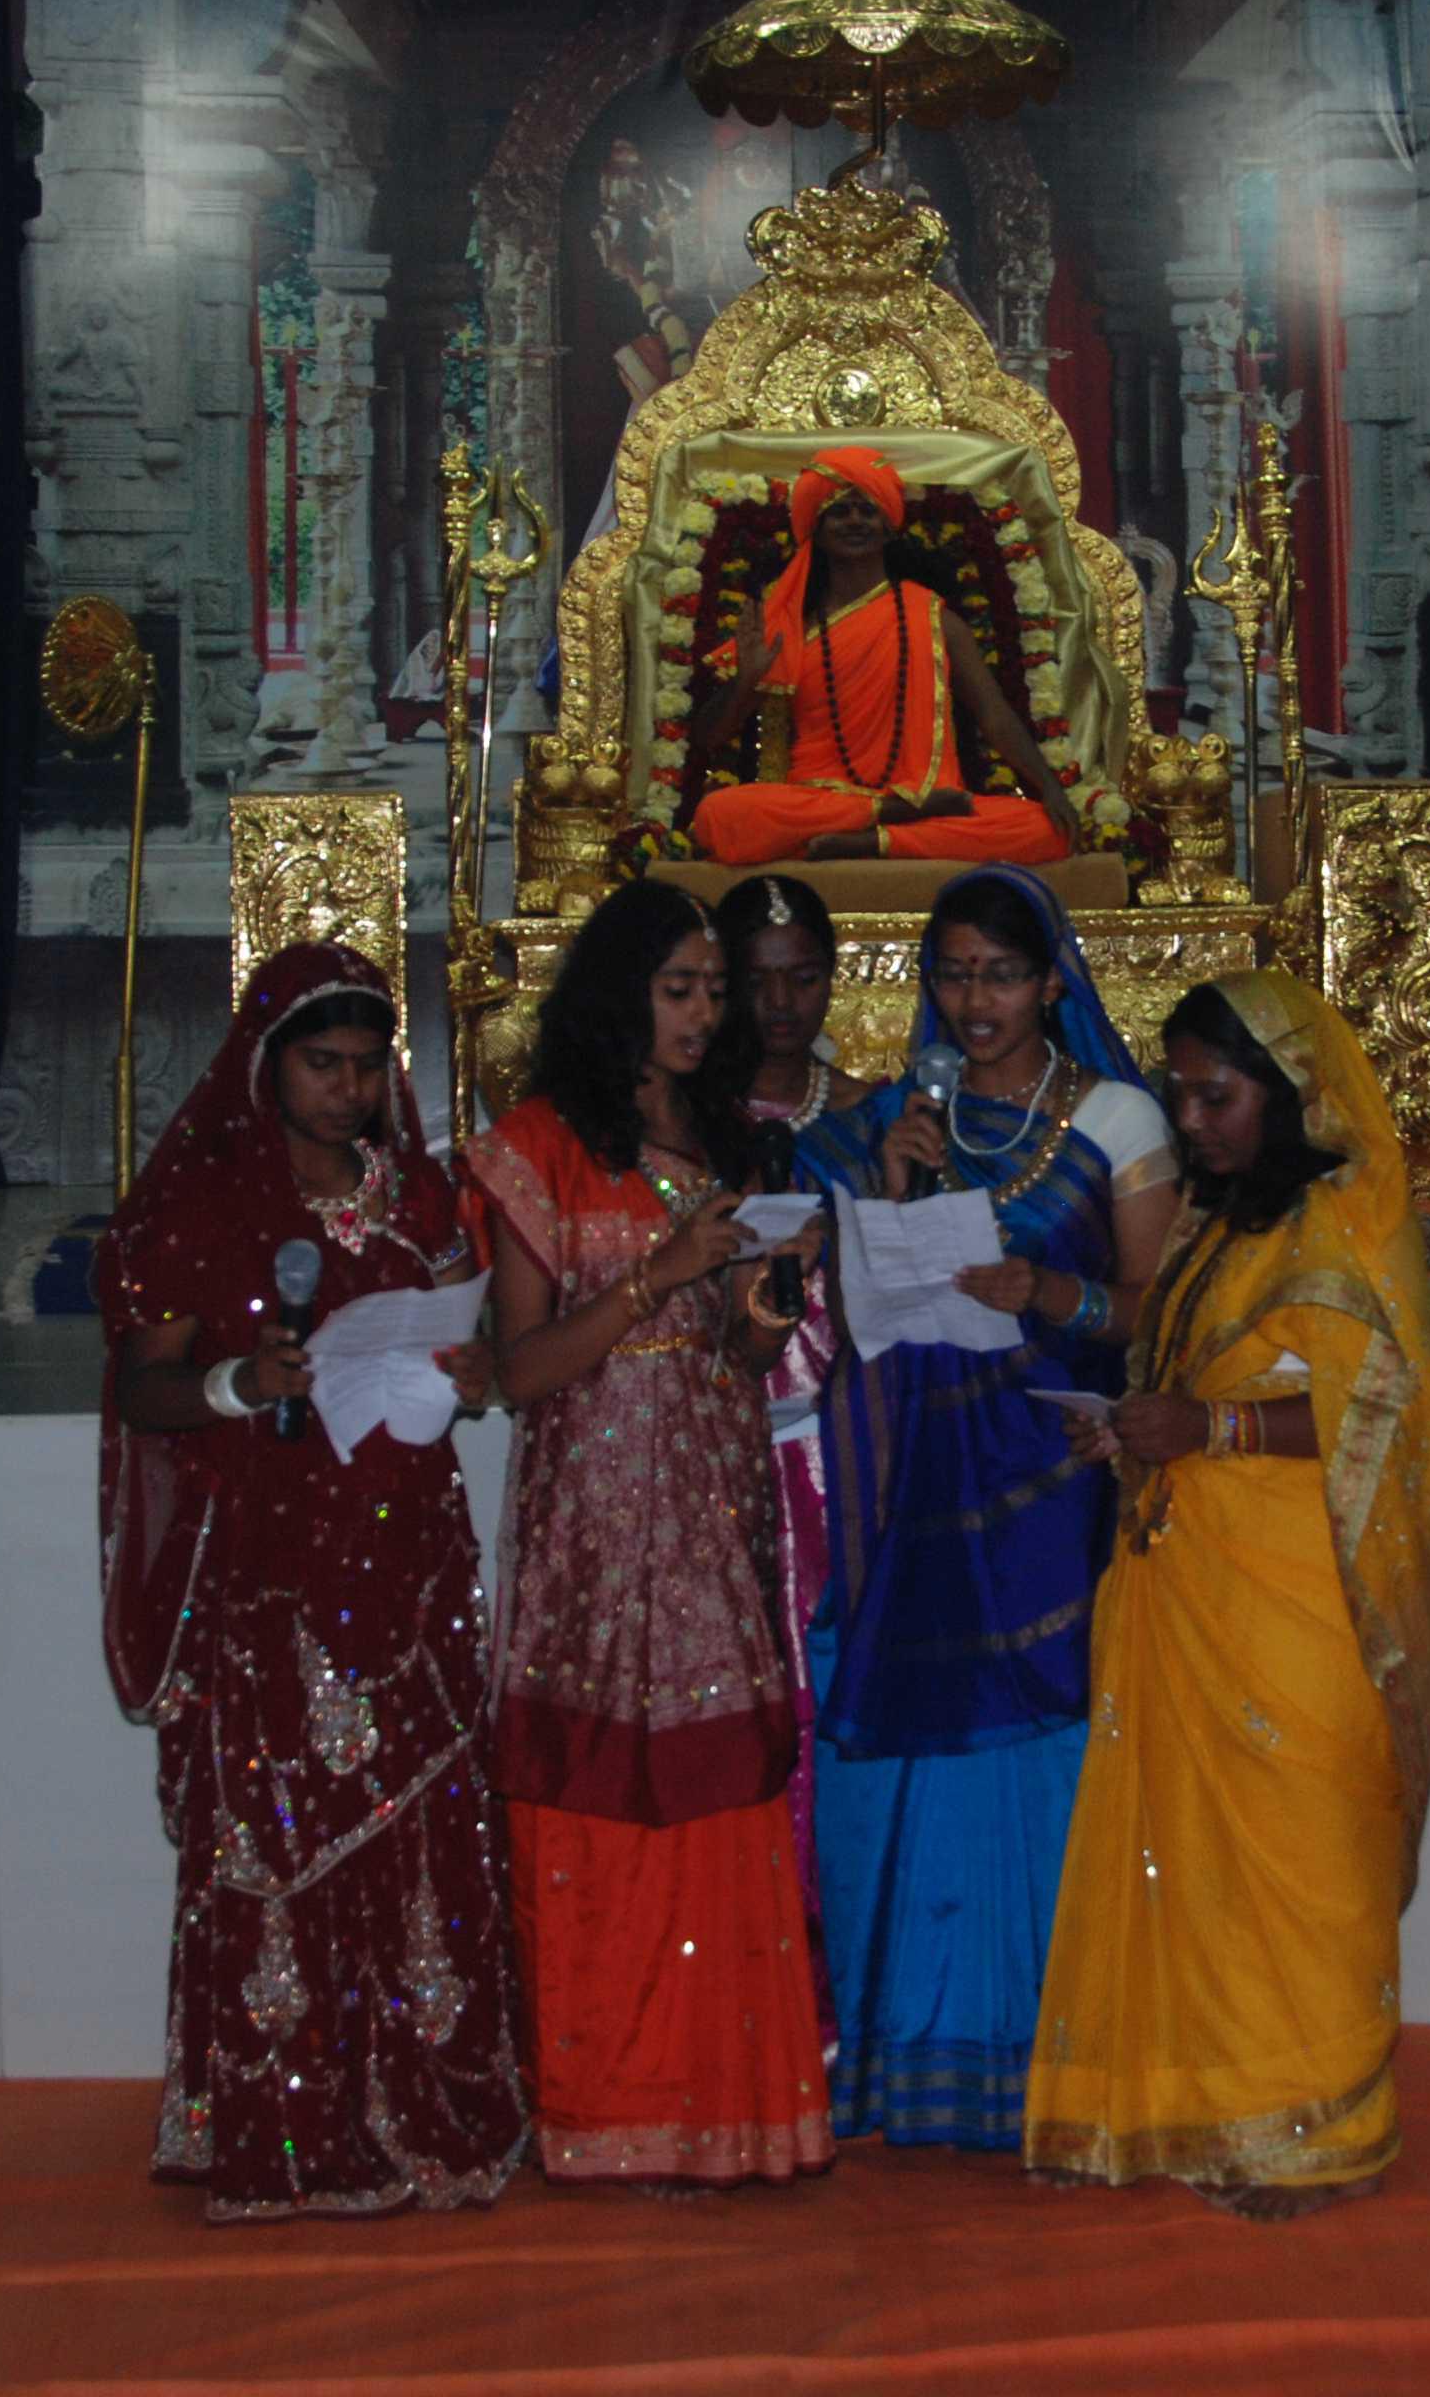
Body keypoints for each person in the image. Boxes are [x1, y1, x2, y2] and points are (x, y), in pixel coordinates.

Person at [1027, 970, 1430, 2217]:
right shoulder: (1211, 1222)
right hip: (1186, 1578)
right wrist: (1133, 1427)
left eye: (1215, 1096)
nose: (1190, 1121)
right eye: (1178, 1094)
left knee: (1300, 1859)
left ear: (1286, 1094)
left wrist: (1210, 1427)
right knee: (1194, 1869)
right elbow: (1182, 1378)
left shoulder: (1340, 1222)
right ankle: (1204, 2113)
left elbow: (1387, 1417)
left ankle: (1318, 2131)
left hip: (1298, 1598)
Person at [93, 944, 525, 2219]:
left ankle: (428, 2108)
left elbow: (462, 1330)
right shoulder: (202, 1205)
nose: (347, 1090)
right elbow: (144, 1389)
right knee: (281, 1830)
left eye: (365, 1068)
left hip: (411, 1554)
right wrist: (241, 1383)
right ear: (265, 1066)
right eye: (322, 1066)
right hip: (272, 1562)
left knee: (427, 1823)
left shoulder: (420, 1194)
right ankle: (289, 2123)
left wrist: (471, 1372)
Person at [791, 865, 1178, 2148]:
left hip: (1054, 1480)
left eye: (999, 975)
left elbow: (1156, 1316)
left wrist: (1050, 1297)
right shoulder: (894, 1121)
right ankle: (922, 2051)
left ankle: (1060, 2052)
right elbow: (837, 1311)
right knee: (926, 1758)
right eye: (951, 974)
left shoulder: (1115, 1119)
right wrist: (887, 1193)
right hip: (916, 1481)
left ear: (1052, 981)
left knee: (1046, 1739)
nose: (973, 1001)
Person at [469, 879, 835, 2187]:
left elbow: (736, 1357)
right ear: (616, 994)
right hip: (590, 1523)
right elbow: (517, 1372)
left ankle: (729, 2101)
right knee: (595, 1791)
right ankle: (604, 2102)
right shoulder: (540, 1147)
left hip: (711, 1506)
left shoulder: (733, 1139)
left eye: (712, 992)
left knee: (719, 1786)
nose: (701, 1014)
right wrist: (654, 1276)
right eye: (677, 989)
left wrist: (769, 1305)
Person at [712, 874, 874, 2032]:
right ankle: (749, 1989)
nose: (781, 1004)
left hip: (841, 1456)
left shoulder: (868, 1118)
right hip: (720, 1457)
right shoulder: (689, 1123)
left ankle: (843, 1984)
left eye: (803, 977)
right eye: (756, 981)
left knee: (835, 1702)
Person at [689, 447, 1079, 867]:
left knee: (1043, 828)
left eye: (867, 511)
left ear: (888, 526)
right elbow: (709, 738)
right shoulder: (791, 629)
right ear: (817, 529)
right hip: (822, 799)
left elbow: (992, 713)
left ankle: (868, 840)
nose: (855, 521)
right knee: (717, 814)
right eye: (840, 512)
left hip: (921, 797)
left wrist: (1047, 786)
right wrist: (746, 681)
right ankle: (889, 815)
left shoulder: (934, 617)